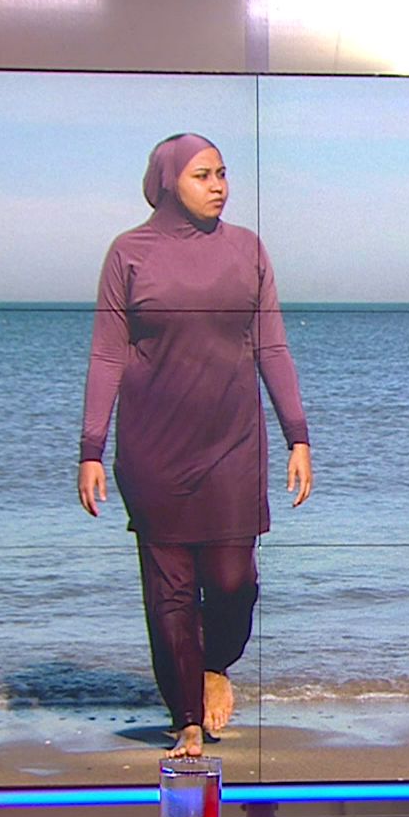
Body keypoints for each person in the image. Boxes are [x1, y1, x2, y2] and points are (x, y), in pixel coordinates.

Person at [78, 133, 313, 759]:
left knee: (234, 582)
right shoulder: (129, 254)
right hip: (153, 451)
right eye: (202, 175)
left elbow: (272, 347)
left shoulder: (247, 250)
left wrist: (298, 436)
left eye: (222, 174)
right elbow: (107, 355)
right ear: (168, 182)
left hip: (233, 447)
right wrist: (91, 448)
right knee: (171, 593)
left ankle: (214, 664)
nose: (218, 187)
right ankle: (185, 720)